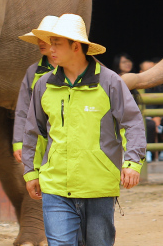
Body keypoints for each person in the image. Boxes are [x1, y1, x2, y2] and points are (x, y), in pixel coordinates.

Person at [22, 14, 146, 246]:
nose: (50, 49)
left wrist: (132, 163)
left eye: (57, 43)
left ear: (76, 46)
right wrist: (31, 172)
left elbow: (133, 123)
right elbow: (33, 132)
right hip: (55, 187)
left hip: (98, 186)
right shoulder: (43, 84)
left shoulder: (110, 82)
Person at [12, 16, 59, 163]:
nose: (40, 42)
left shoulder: (79, 67)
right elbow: (23, 108)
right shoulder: (32, 72)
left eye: (44, 38)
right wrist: (18, 142)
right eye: (38, 38)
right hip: (42, 141)